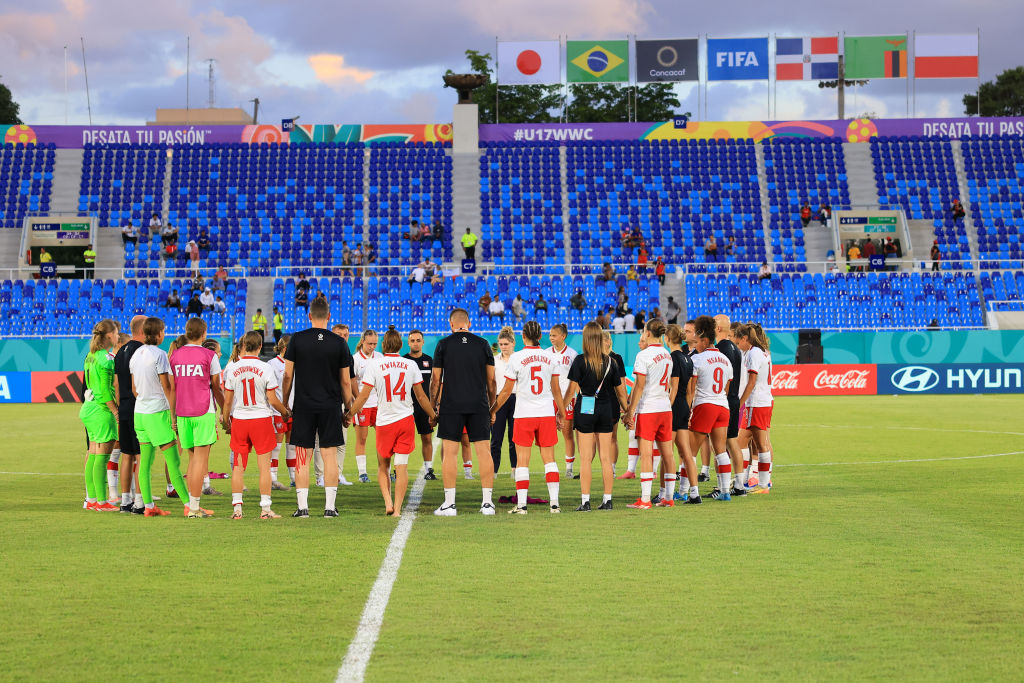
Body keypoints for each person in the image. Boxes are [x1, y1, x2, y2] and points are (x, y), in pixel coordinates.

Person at [349, 327, 437, 516]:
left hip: (384, 421)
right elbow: (421, 397)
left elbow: (363, 397)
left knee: (383, 466)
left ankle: (388, 503)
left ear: (383, 345)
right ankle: (397, 509)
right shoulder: (410, 365)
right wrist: (432, 414)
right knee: (402, 466)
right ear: (401, 344)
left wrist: (350, 414)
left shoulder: (375, 365)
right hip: (405, 420)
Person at [281, 296, 354, 518]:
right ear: (329, 317)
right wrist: (348, 408)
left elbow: (287, 375)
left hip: (304, 405)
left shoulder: (297, 340)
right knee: (330, 456)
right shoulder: (339, 342)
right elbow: (345, 381)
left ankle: (302, 508)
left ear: (309, 315)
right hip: (330, 406)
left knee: (303, 455)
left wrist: (285, 404)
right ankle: (329, 508)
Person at [492, 321, 566, 514]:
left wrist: (493, 410)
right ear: (540, 336)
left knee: (522, 461)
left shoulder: (516, 358)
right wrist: (562, 412)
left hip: (524, 414)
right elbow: (556, 389)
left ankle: (522, 505)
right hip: (545, 413)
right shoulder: (551, 357)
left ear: (523, 336)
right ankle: (555, 504)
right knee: (549, 459)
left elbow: (507, 391)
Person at [430, 308, 496, 516]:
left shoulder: (444, 344)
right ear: (469, 323)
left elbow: (435, 381)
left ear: (451, 325)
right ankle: (487, 503)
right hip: (478, 404)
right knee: (484, 451)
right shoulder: (483, 344)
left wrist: (433, 407)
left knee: (450, 452)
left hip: (452, 404)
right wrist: (492, 407)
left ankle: (449, 504)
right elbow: (491, 381)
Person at [221, 330, 292, 519]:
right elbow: (272, 399)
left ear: (243, 345)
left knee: (238, 466)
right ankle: (265, 509)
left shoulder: (232, 368)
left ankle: (237, 509)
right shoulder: (266, 367)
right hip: (261, 419)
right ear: (260, 346)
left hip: (240, 419)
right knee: (264, 467)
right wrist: (285, 412)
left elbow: (227, 402)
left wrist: (226, 420)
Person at [562, 322, 628, 511]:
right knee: (605, 458)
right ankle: (607, 500)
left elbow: (571, 391)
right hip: (606, 410)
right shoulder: (610, 362)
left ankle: (585, 501)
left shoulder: (580, 361)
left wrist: (560, 409)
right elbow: (621, 393)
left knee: (585, 458)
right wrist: (628, 412)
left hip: (586, 409)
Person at [130, 317, 189, 516]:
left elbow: (134, 389)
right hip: (157, 413)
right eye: (163, 331)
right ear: (158, 333)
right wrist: (173, 416)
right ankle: (190, 505)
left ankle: (148, 507)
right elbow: (167, 387)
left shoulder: (136, 354)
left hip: (140, 413)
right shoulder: (160, 355)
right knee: (173, 461)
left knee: (144, 463)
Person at [169, 317, 223, 518]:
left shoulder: (175, 356)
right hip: (203, 411)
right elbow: (216, 387)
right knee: (201, 460)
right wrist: (226, 409)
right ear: (204, 333)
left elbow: (173, 388)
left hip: (183, 413)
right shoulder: (209, 355)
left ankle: (192, 506)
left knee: (192, 460)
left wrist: (173, 416)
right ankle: (194, 508)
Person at [622, 319, 679, 509]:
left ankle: (645, 499)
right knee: (668, 454)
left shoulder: (643, 355)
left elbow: (639, 385)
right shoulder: (667, 355)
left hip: (648, 409)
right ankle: (668, 497)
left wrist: (630, 411)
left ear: (647, 333)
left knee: (646, 454)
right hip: (665, 408)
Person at [687, 315, 732, 502]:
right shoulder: (725, 360)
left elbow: (691, 389)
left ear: (705, 340)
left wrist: (688, 410)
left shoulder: (698, 359)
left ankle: (687, 491)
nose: (696, 345)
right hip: (723, 406)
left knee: (689, 452)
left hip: (705, 405)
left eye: (697, 341)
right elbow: (727, 388)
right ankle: (725, 491)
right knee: (720, 450)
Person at [80, 319, 120, 511]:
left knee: (94, 455)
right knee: (102, 458)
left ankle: (92, 500)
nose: (119, 336)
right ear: (110, 335)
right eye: (117, 333)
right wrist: (114, 410)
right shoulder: (106, 358)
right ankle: (102, 502)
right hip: (101, 411)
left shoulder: (91, 355)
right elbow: (105, 389)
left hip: (89, 408)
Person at [112, 316, 146, 513]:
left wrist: (120, 407)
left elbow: (116, 385)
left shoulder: (120, 352)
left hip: (124, 407)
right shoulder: (141, 352)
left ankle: (125, 500)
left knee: (127, 456)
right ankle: (140, 502)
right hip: (138, 408)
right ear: (143, 330)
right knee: (141, 455)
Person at [735, 323, 773, 495]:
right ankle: (760, 483)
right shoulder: (763, 351)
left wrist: (740, 403)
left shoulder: (753, 353)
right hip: (764, 401)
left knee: (743, 443)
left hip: (755, 403)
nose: (736, 343)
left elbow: (751, 382)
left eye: (737, 339)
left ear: (745, 338)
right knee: (759, 443)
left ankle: (745, 483)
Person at [714, 314, 746, 498]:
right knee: (732, 441)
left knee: (718, 445)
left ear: (718, 329)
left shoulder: (720, 349)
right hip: (734, 399)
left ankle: (722, 486)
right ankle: (739, 485)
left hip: (723, 400)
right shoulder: (735, 348)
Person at [666, 324, 698, 503]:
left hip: (674, 406)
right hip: (685, 406)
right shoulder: (688, 358)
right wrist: (687, 410)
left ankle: (667, 494)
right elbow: (689, 391)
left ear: (668, 339)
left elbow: (674, 387)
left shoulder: (673, 358)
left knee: (667, 451)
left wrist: (668, 409)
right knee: (686, 453)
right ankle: (695, 493)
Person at [403, 329, 438, 480]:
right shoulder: (403, 361)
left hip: (425, 407)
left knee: (427, 438)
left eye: (418, 340)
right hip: (406, 407)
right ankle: (399, 470)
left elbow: (435, 385)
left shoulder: (430, 361)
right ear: (408, 342)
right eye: (412, 341)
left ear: (423, 342)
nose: (415, 343)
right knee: (403, 440)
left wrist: (434, 405)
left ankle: (428, 469)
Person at [546, 323, 579, 479]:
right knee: (548, 435)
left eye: (554, 335)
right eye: (550, 335)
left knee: (567, 434)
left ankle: (569, 469)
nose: (551, 338)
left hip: (567, 399)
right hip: (548, 399)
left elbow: (577, 380)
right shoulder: (545, 354)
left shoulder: (573, 354)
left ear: (563, 336)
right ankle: (550, 467)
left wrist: (577, 397)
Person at [351, 329, 383, 484]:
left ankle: (385, 470)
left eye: (375, 344)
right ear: (363, 341)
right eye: (370, 343)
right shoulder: (355, 359)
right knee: (362, 438)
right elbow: (352, 382)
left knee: (383, 437)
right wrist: (358, 402)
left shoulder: (380, 357)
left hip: (378, 403)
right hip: (363, 404)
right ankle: (362, 473)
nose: (372, 347)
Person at [266, 334, 295, 490]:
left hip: (294, 410)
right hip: (277, 411)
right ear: (285, 348)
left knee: (292, 445)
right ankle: (273, 478)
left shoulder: (298, 363)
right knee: (276, 446)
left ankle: (293, 477)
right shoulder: (271, 364)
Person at [490, 328, 517, 476]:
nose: (503, 347)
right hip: (499, 400)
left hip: (516, 399)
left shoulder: (519, 359)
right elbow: (491, 383)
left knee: (514, 438)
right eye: (501, 344)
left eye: (506, 344)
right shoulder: (494, 360)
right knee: (496, 439)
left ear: (513, 343)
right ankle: (493, 470)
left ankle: (515, 469)